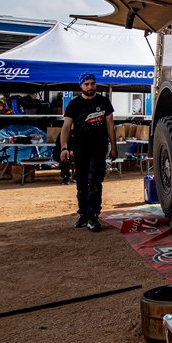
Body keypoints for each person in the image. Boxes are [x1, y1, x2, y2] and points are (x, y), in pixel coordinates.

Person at [60, 73, 117, 231]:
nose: (90, 87)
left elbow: (110, 125)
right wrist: (64, 147)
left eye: (92, 83)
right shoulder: (74, 104)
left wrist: (114, 147)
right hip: (80, 149)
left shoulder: (104, 102)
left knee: (95, 182)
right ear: (81, 86)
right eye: (86, 84)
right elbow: (66, 127)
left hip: (98, 148)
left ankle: (93, 217)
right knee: (81, 183)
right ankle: (84, 214)